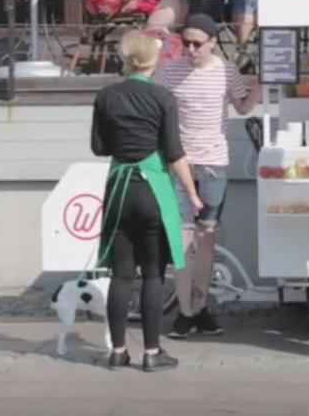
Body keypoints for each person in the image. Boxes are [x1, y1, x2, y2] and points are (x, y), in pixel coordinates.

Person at [90, 31, 202, 372]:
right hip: (152, 190)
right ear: (153, 60)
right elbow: (174, 154)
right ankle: (152, 353)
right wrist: (193, 194)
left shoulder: (106, 96)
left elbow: (100, 147)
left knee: (121, 275)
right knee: (153, 274)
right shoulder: (162, 97)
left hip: (119, 189)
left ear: (126, 59)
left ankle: (117, 350)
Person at [153, 13, 260, 339]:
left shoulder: (226, 71)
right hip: (179, 164)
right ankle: (185, 311)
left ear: (213, 42)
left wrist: (262, 84)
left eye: (196, 44)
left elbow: (242, 108)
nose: (189, 49)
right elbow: (155, 110)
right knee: (182, 240)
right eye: (184, 43)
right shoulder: (169, 71)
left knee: (207, 238)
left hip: (214, 163)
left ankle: (201, 306)